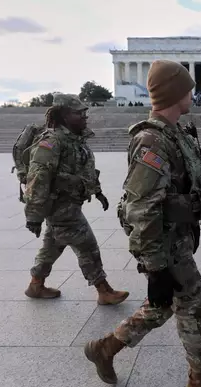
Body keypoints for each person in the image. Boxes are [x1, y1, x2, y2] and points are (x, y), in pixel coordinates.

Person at [83, 60, 201, 387]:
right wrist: (155, 268)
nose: (193, 93)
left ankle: (105, 349)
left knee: (162, 307)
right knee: (197, 310)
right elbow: (142, 207)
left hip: (177, 239)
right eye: (188, 88)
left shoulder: (177, 134)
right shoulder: (152, 141)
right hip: (164, 244)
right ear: (175, 92)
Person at [22, 93, 129, 305]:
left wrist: (97, 192)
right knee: (87, 245)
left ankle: (36, 284)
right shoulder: (51, 142)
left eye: (84, 112)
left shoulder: (75, 139)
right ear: (63, 116)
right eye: (78, 113)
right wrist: (33, 216)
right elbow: (37, 179)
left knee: (52, 245)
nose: (84, 116)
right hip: (61, 207)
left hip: (69, 204)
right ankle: (103, 289)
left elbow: (85, 169)